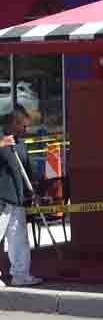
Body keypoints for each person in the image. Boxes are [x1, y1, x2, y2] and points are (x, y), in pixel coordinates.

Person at [0, 108, 42, 287]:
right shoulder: (1, 139)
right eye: (23, 126)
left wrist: (33, 190)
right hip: (1, 198)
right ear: (13, 123)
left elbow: (27, 169)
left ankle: (20, 275)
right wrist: (1, 143)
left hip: (17, 199)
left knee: (19, 239)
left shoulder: (20, 144)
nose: (25, 130)